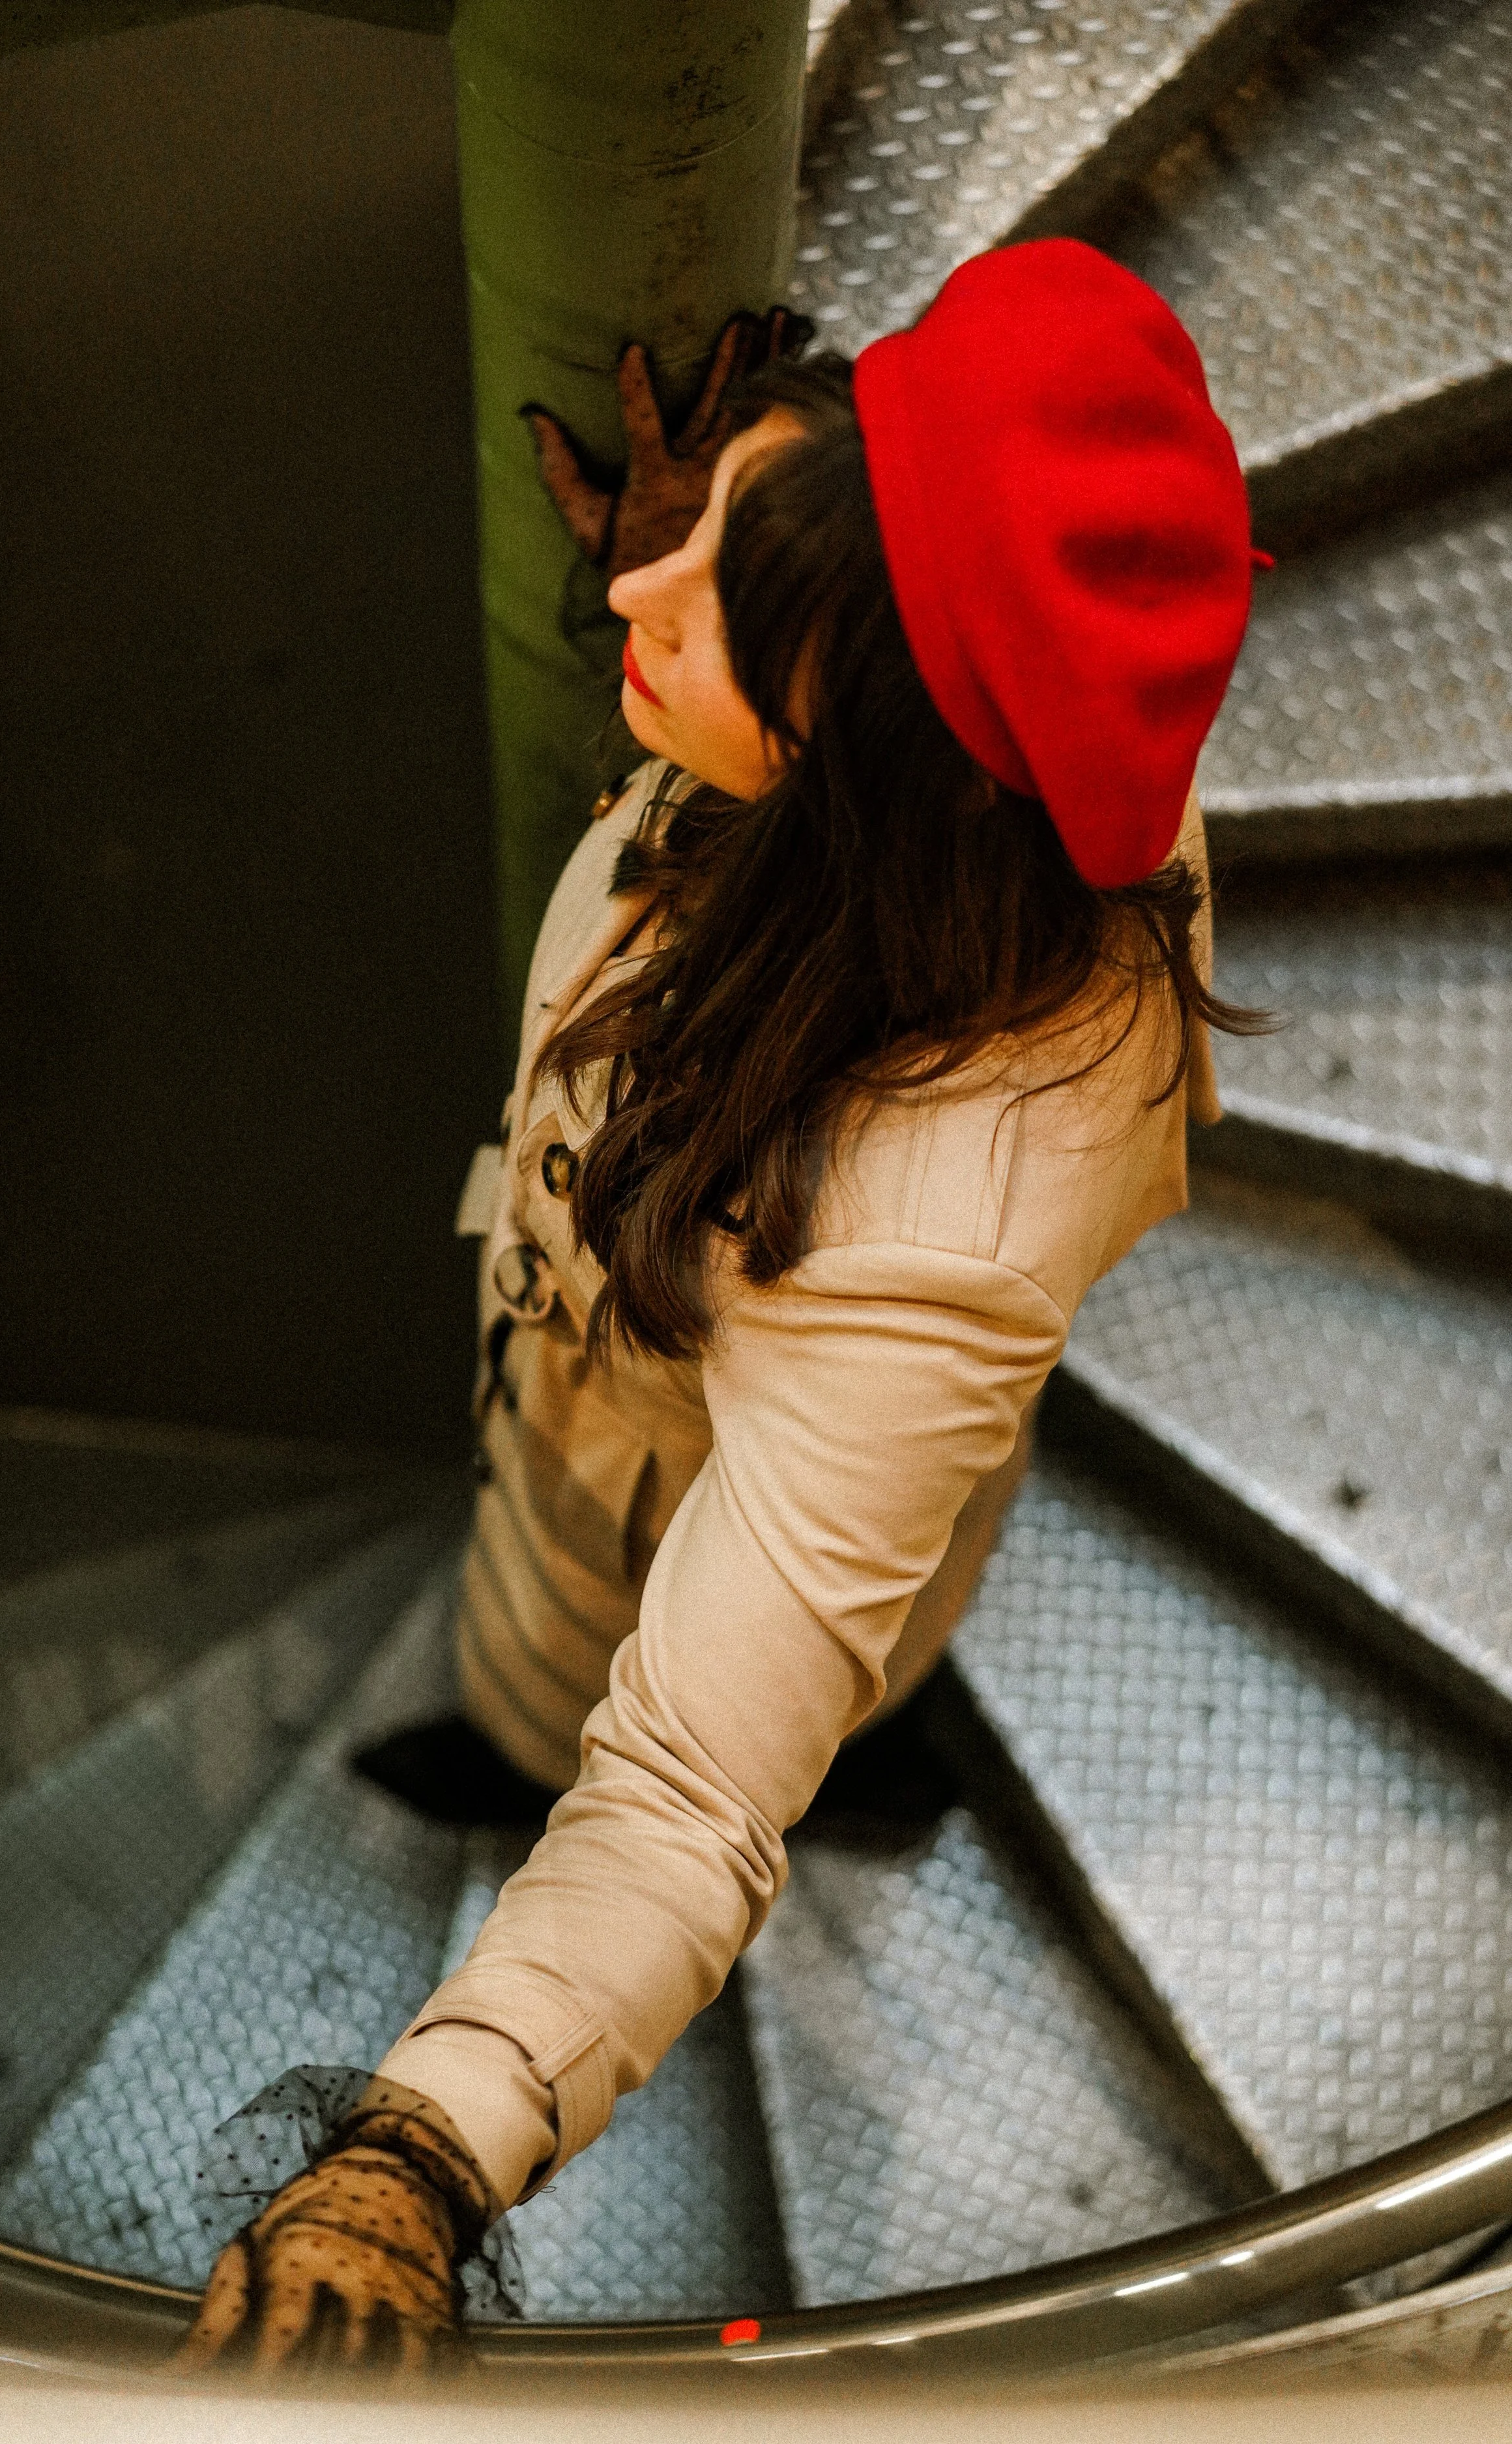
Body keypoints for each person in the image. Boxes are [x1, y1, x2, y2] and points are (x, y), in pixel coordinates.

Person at [179, 237, 1262, 2372]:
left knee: (650, 1706)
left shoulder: (930, 1223)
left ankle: (702, 1743)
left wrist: (415, 2155)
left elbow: (683, 1787)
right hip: (610, 1384)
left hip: (647, 1515)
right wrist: (755, 544)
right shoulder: (1022, 746)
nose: (629, 592)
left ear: (867, 762)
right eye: (718, 525)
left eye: (720, 616)